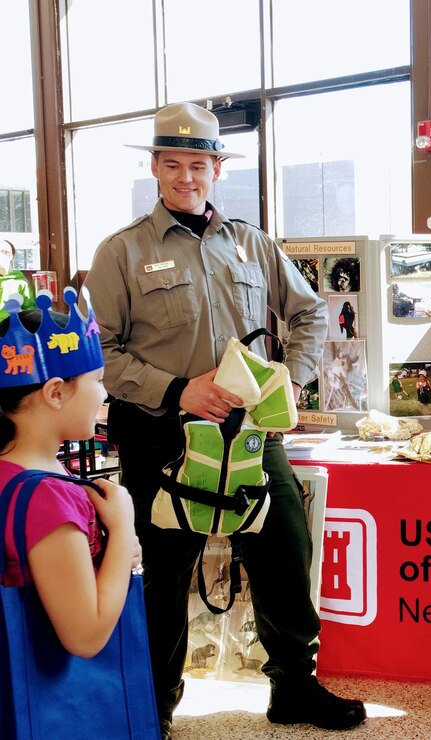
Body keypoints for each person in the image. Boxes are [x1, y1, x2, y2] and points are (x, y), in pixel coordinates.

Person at [84, 102, 365, 738]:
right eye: (174, 163)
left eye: (199, 164)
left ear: (217, 169)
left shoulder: (250, 243)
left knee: (284, 553)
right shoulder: (121, 252)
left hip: (250, 437)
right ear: (156, 168)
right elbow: (99, 351)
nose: (187, 176)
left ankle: (293, 685)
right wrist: (178, 390)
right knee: (165, 572)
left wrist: (289, 380)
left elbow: (311, 312)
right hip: (162, 435)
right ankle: (155, 702)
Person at [0, 293, 142, 659]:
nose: (104, 393)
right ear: (56, 392)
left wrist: (116, 552)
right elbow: (86, 636)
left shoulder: (23, 470)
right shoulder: (47, 495)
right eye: (97, 380)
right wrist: (124, 526)